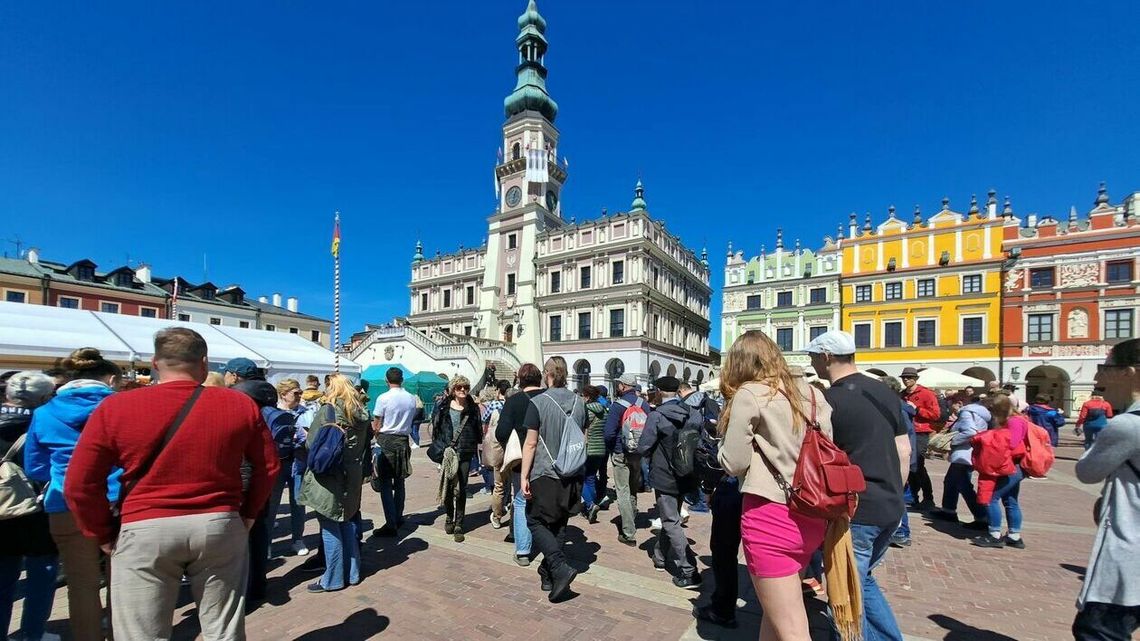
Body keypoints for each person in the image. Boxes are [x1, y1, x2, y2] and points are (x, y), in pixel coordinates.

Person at [64, 329, 278, 639]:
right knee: (223, 630)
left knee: (142, 633)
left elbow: (80, 483)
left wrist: (100, 532)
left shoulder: (116, 407)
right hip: (218, 520)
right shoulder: (238, 404)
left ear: (155, 362)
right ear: (204, 363)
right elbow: (268, 466)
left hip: (145, 523)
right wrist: (248, 514)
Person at [717, 331, 838, 640]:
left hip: (771, 512)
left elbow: (734, 463)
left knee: (793, 629)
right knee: (775, 615)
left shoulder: (752, 393)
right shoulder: (812, 393)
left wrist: (720, 446)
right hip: (812, 511)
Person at [807, 330, 910, 641]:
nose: (813, 364)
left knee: (843, 593)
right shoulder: (886, 393)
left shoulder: (828, 399)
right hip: (890, 506)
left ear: (826, 357)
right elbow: (904, 450)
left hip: (855, 509)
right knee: (861, 581)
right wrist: (893, 494)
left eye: (813, 358)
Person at [26, 349, 123, 641]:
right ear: (111, 378)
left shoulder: (44, 412)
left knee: (81, 585)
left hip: (66, 502)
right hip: (118, 500)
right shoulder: (121, 406)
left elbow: (35, 465)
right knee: (122, 580)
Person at [1072, 338, 1140, 641]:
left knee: (1097, 631)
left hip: (1130, 554)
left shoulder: (1127, 426)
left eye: (1104, 368)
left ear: (1128, 372)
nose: (1098, 378)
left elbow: (1086, 471)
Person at [0, 371, 60, 641]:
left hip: (2, 511)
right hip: (37, 511)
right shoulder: (46, 423)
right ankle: (33, 633)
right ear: (45, 397)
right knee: (41, 576)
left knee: (3, 578)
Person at [520, 357, 585, 602]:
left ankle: (558, 566)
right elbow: (582, 435)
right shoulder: (579, 402)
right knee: (558, 523)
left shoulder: (538, 402)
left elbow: (531, 442)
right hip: (572, 470)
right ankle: (548, 576)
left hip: (545, 472)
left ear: (547, 374)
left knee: (535, 520)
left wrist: (524, 475)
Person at [300, 374, 370, 592]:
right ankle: (352, 572)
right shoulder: (361, 414)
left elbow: (312, 443)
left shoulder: (329, 411)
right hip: (352, 474)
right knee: (346, 523)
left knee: (330, 527)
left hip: (331, 474)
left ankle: (333, 579)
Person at [637, 376, 703, 590]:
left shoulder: (656, 416)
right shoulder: (693, 413)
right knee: (670, 517)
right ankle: (659, 556)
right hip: (687, 474)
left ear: (658, 391)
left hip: (665, 476)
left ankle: (689, 569)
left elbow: (643, 446)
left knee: (671, 521)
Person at [495, 364, 544, 565]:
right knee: (543, 502)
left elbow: (501, 433)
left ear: (520, 380)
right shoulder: (548, 397)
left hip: (521, 459)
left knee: (522, 501)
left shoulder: (514, 401)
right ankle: (546, 542)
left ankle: (523, 550)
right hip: (547, 459)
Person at [970, 394, 1029, 549]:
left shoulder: (1014, 421)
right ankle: (1014, 536)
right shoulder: (1019, 419)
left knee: (991, 498)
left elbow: (1012, 444)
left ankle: (994, 534)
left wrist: (989, 437)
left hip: (1010, 466)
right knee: (1010, 500)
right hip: (1014, 466)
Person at [431, 376, 481, 542]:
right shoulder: (443, 407)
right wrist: (441, 447)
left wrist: (474, 446)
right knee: (448, 486)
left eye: (465, 387)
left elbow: (477, 430)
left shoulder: (472, 408)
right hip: (448, 452)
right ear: (453, 390)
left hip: (465, 452)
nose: (462, 390)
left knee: (461, 489)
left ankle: (459, 522)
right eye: (459, 387)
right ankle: (448, 516)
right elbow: (436, 429)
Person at [930, 396, 990, 528]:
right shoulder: (980, 413)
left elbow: (970, 431)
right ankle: (949, 510)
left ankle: (981, 516)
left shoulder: (967, 412)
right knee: (951, 481)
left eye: (951, 404)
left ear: (959, 403)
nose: (950, 407)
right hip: (968, 452)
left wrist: (953, 440)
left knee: (963, 485)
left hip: (964, 453)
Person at [371, 367, 417, 537]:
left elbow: (376, 424)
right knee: (399, 481)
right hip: (403, 440)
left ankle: (390, 523)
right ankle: (398, 516)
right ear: (402, 379)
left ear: (386, 380)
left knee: (384, 483)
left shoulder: (383, 398)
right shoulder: (411, 398)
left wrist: (376, 435)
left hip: (387, 440)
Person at [603, 373, 646, 546]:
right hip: (638, 452)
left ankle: (628, 532)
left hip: (621, 452)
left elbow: (609, 432)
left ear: (623, 386)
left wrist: (612, 448)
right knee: (633, 487)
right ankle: (632, 515)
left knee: (622, 490)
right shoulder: (644, 404)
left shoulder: (617, 406)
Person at [881, 376, 917, 548]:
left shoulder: (897, 410)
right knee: (898, 495)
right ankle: (901, 530)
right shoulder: (900, 408)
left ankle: (901, 531)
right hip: (899, 458)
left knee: (898, 494)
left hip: (898, 459)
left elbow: (905, 441)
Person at [899, 367, 938, 510]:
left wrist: (917, 409)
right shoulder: (901, 394)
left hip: (920, 432)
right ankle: (913, 496)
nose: (906, 380)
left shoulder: (926, 394)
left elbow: (935, 415)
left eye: (909, 377)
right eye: (904, 377)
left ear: (916, 379)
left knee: (918, 466)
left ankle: (928, 498)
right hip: (905, 432)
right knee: (908, 466)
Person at [484, 381, 512, 530]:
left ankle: (496, 516)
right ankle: (510, 508)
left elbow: (485, 419)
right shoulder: (514, 407)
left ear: (498, 391)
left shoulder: (494, 405)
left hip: (498, 450)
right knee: (513, 486)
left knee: (498, 485)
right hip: (513, 451)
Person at [580, 385, 609, 524]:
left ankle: (590, 504)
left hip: (588, 448)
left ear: (587, 396)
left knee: (581, 479)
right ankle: (591, 505)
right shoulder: (604, 410)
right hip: (601, 448)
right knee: (591, 477)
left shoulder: (586, 411)